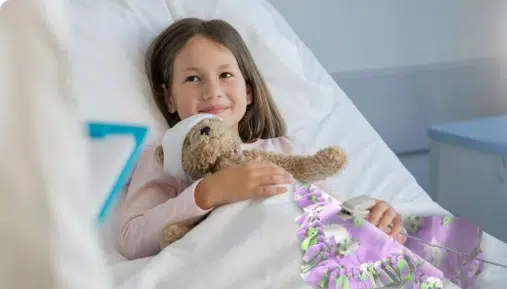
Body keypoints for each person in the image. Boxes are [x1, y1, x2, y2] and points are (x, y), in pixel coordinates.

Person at [119, 18, 406, 260]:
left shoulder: (285, 150)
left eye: (226, 75)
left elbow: (333, 217)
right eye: (193, 79)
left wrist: (373, 221)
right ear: (169, 98)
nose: (212, 91)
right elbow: (133, 239)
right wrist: (207, 193)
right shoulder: (165, 157)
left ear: (248, 92)